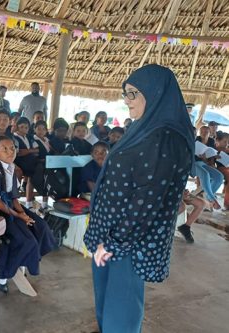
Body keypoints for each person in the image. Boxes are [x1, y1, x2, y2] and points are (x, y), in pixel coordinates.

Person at [83, 64, 194, 333]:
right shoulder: (143, 129)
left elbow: (146, 202)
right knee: (107, 305)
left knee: (120, 314)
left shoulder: (165, 138)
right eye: (125, 93)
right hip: (110, 236)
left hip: (129, 242)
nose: (126, 100)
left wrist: (114, 243)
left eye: (133, 93)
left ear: (155, 93)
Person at [0, 136, 55, 294]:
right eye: (4, 149)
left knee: (40, 227)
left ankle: (24, 260)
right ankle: (2, 274)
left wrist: (24, 214)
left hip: (8, 207)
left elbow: (13, 198)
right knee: (25, 240)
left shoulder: (11, 167)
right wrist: (20, 216)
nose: (10, 151)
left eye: (12, 148)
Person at [13, 117, 39, 209]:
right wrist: (31, 151)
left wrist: (27, 151)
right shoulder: (14, 137)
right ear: (17, 127)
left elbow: (37, 149)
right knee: (20, 174)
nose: (24, 129)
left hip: (30, 162)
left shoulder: (29, 137)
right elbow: (18, 152)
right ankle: (14, 199)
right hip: (19, 162)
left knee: (33, 176)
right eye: (22, 127)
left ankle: (28, 203)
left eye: (26, 127)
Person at [214, 132, 229, 210]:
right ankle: (227, 204)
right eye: (225, 141)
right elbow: (211, 162)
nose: (226, 143)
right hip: (220, 168)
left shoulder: (228, 149)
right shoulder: (215, 149)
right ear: (219, 141)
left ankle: (227, 201)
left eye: (228, 141)